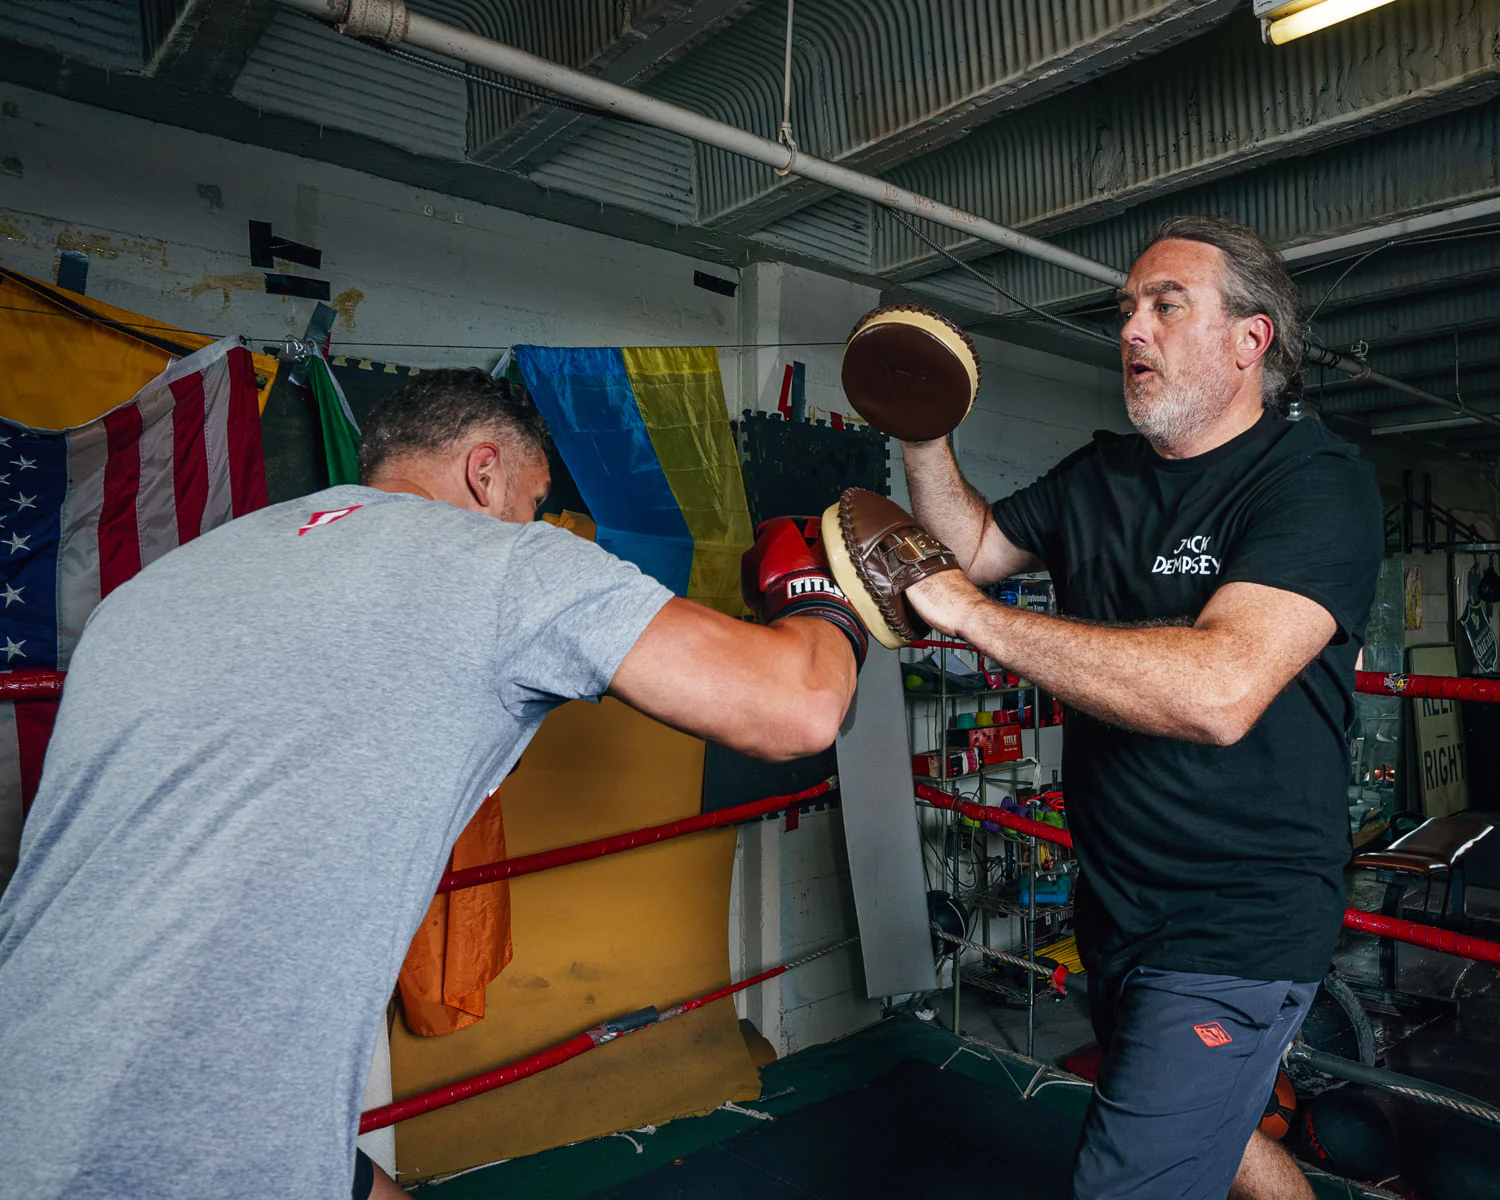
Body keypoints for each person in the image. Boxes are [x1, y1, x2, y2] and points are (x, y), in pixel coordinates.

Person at [0, 370, 866, 1199]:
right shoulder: (501, 565)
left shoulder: (159, 586)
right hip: (143, 1164)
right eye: (531, 503)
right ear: (484, 473)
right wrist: (824, 597)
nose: (535, 524)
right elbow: (799, 707)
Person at [899, 216, 1383, 1200]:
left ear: (1252, 341)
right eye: (1127, 310)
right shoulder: (1099, 477)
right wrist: (921, 434)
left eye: (1167, 305)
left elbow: (1220, 690)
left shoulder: (1312, 480)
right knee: (1228, 1137)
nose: (1132, 330)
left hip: (1238, 924)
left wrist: (972, 619)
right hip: (1117, 908)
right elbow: (977, 546)